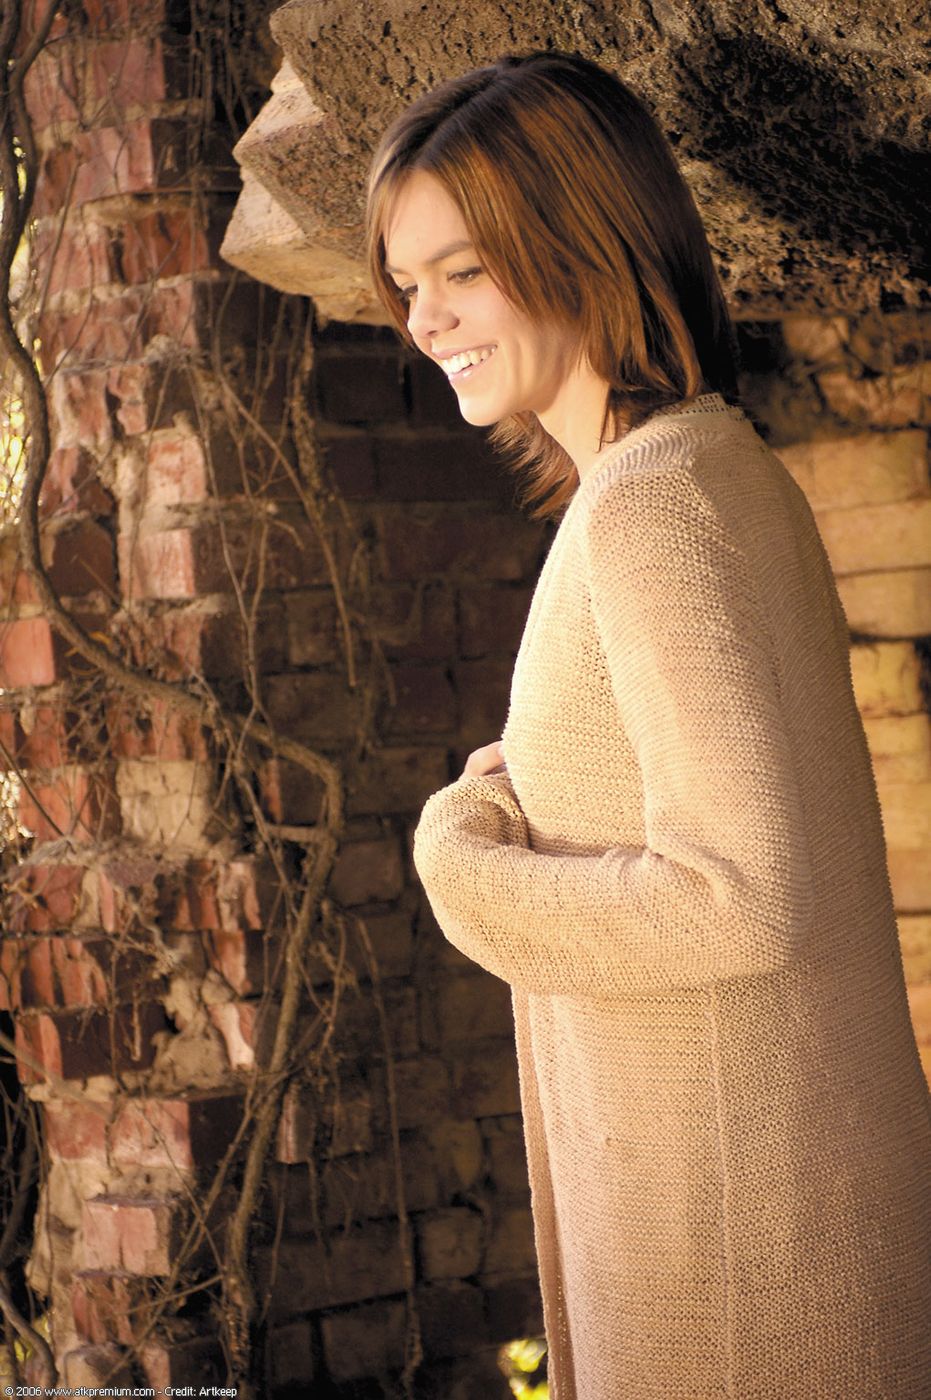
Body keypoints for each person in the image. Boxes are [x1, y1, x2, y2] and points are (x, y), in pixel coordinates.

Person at [364, 50, 931, 1400]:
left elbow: (739, 897)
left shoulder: (652, 505)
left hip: (744, 1269)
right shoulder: (698, 470)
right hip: (766, 1216)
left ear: (580, 242)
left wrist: (460, 864)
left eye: (461, 270)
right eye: (404, 283)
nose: (425, 318)